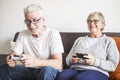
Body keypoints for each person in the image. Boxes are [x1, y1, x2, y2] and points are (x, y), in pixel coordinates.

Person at [0, 4, 64, 80]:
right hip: (28, 70)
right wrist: (11, 59)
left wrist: (36, 62)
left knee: (47, 70)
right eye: (28, 21)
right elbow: (14, 54)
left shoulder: (53, 34)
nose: (31, 25)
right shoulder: (22, 34)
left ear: (43, 20)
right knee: (4, 67)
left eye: (35, 20)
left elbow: (58, 63)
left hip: (47, 70)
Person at [56, 11, 119, 80]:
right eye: (89, 21)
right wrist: (72, 60)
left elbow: (112, 65)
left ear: (102, 24)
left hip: (97, 71)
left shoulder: (109, 41)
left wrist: (95, 61)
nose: (92, 23)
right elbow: (67, 59)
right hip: (75, 69)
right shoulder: (79, 40)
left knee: (80, 78)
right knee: (61, 76)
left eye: (95, 21)